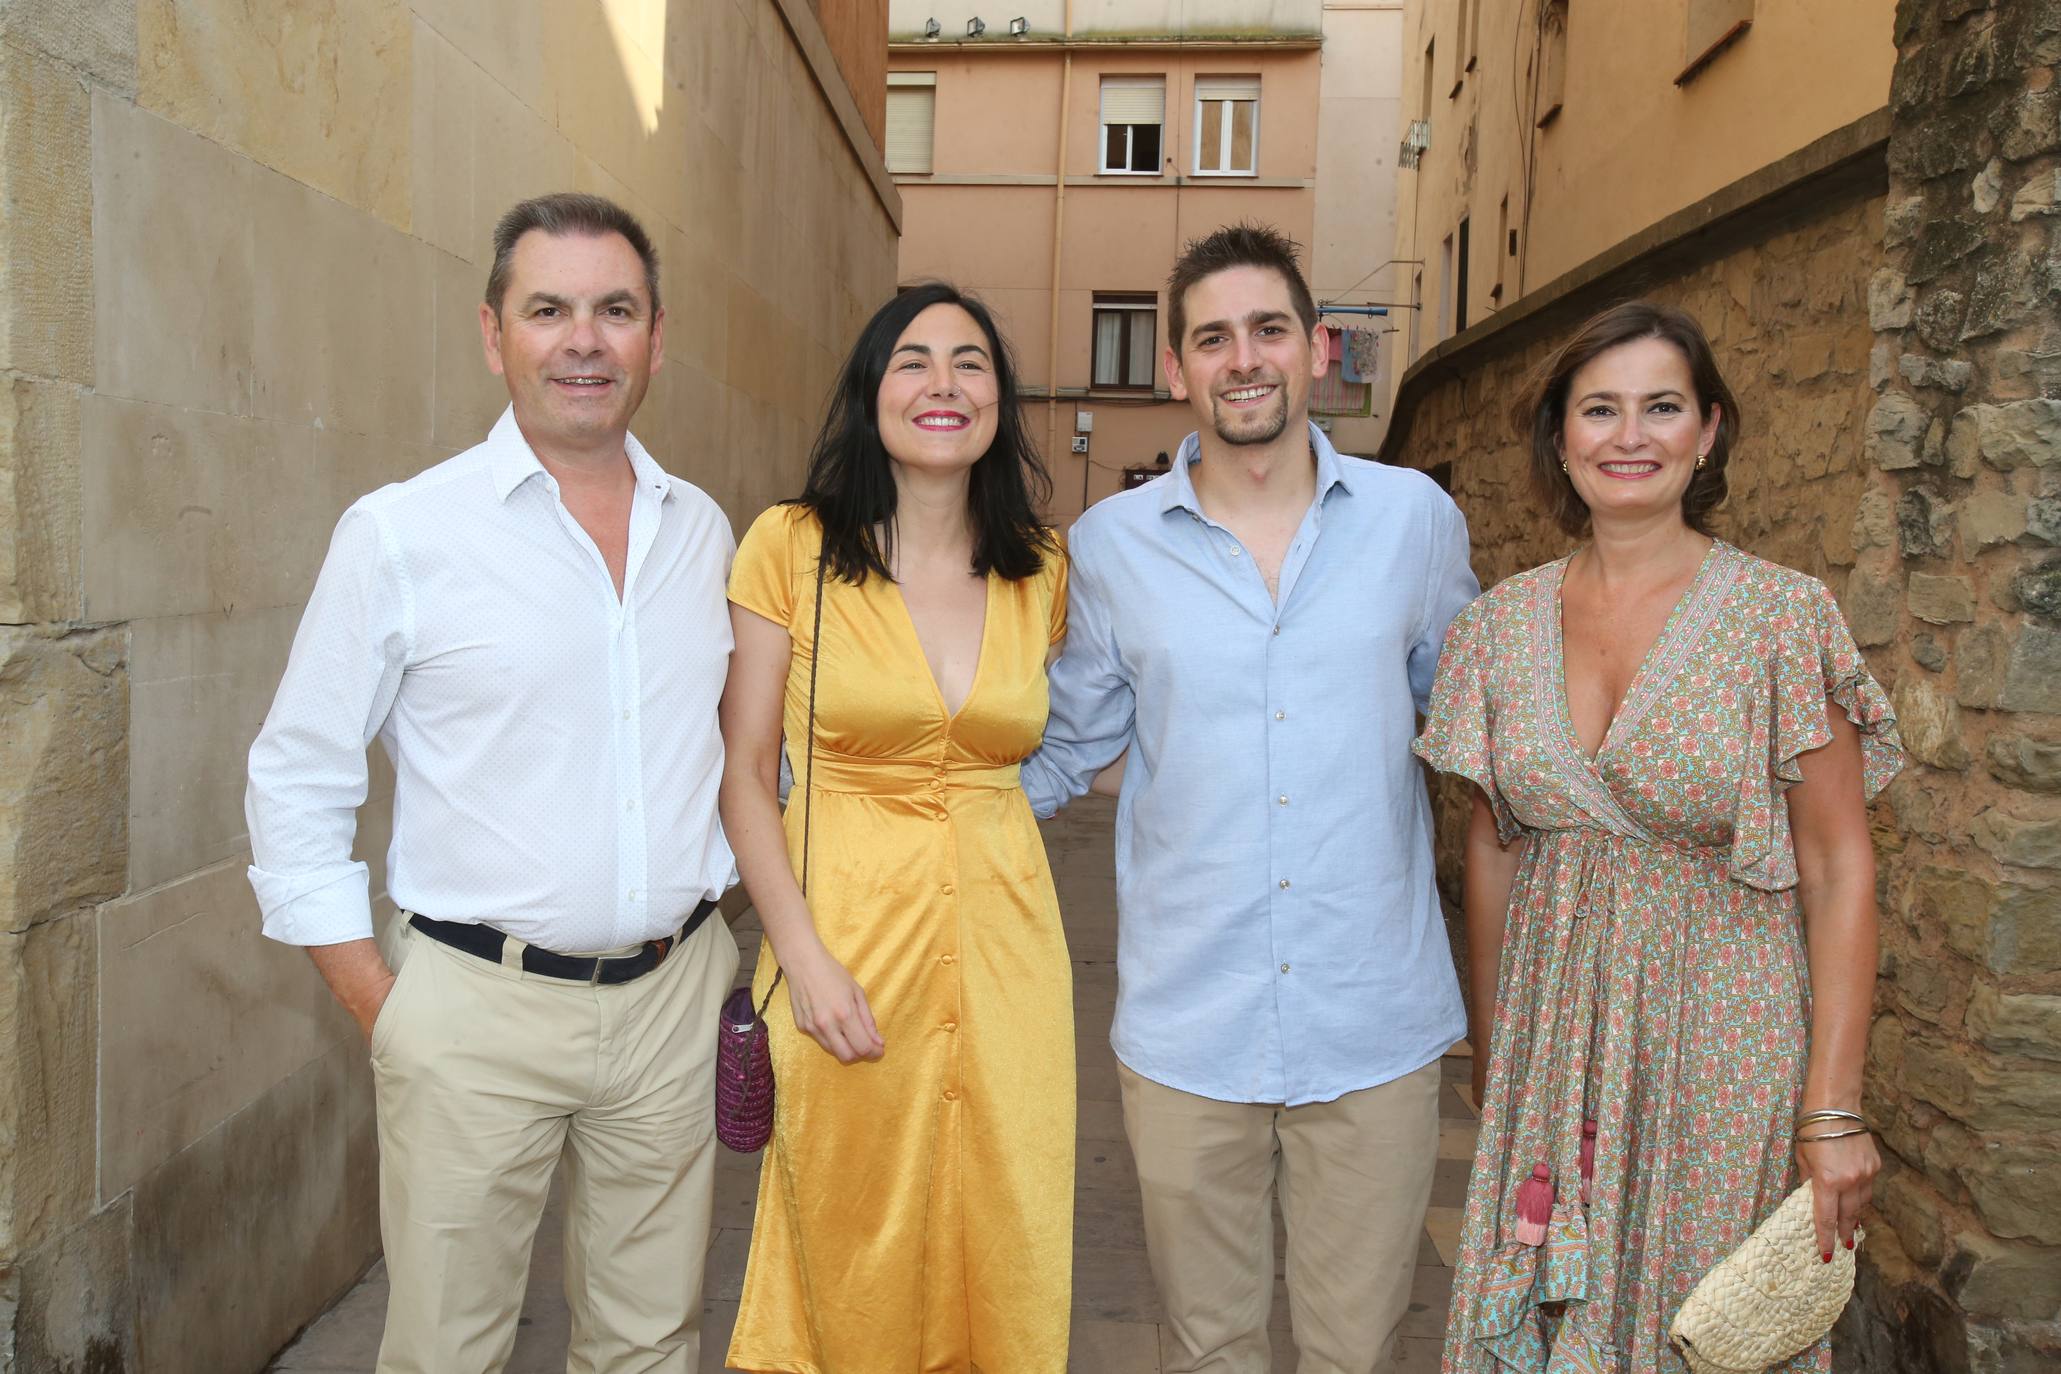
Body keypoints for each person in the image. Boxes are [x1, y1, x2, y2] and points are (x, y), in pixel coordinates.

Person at [245, 192, 738, 1374]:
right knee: (446, 1350)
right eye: (549, 310)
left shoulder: (705, 533)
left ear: (656, 338)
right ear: (493, 334)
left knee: (651, 1343)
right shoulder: (403, 533)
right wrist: (385, 1000)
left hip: (674, 1001)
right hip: (472, 1006)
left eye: (614, 311)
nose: (584, 340)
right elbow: (297, 772)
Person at [1022, 223, 1480, 1374]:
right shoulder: (1110, 547)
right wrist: (875, 813)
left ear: (1317, 347)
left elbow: (1480, 730)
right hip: (1190, 1029)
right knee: (1206, 1348)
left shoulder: (1414, 521)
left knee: (1356, 1351)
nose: (1244, 359)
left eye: (1269, 329)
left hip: (1375, 1025)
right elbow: (1060, 749)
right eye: (1212, 337)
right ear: (1175, 368)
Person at [1413, 301, 1901, 1373]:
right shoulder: (1494, 628)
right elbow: (1493, 853)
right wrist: (1500, 1065)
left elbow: (1838, 863)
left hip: (1720, 1044)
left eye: (1661, 407)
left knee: (1703, 1321)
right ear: (1559, 437)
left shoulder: (1783, 617)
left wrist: (1831, 1108)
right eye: (1600, 410)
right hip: (1551, 1045)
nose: (1629, 436)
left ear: (1709, 431)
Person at [718, 282, 1073, 1372]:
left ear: (1000, 401)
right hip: (850, 952)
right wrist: (802, 960)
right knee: (849, 1241)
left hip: (1010, 955)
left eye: (971, 362)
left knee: (1003, 1226)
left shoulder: (1041, 568)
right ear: (872, 391)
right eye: (912, 360)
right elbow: (740, 775)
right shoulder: (792, 546)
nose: (943, 383)